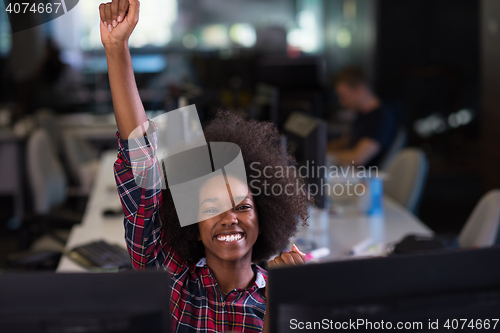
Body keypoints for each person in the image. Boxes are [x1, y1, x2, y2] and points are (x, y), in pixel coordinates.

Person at [99, 1, 310, 332]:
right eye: (212, 207)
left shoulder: (284, 294)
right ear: (192, 224)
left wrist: (280, 303)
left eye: (242, 206)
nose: (229, 218)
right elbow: (140, 154)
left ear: (264, 217)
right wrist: (116, 48)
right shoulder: (168, 279)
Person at [327, 66, 398, 167]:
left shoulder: (381, 118)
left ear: (360, 90)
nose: (341, 102)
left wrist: (325, 155)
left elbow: (358, 159)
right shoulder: (363, 114)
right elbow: (346, 141)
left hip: (365, 179)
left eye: (344, 96)